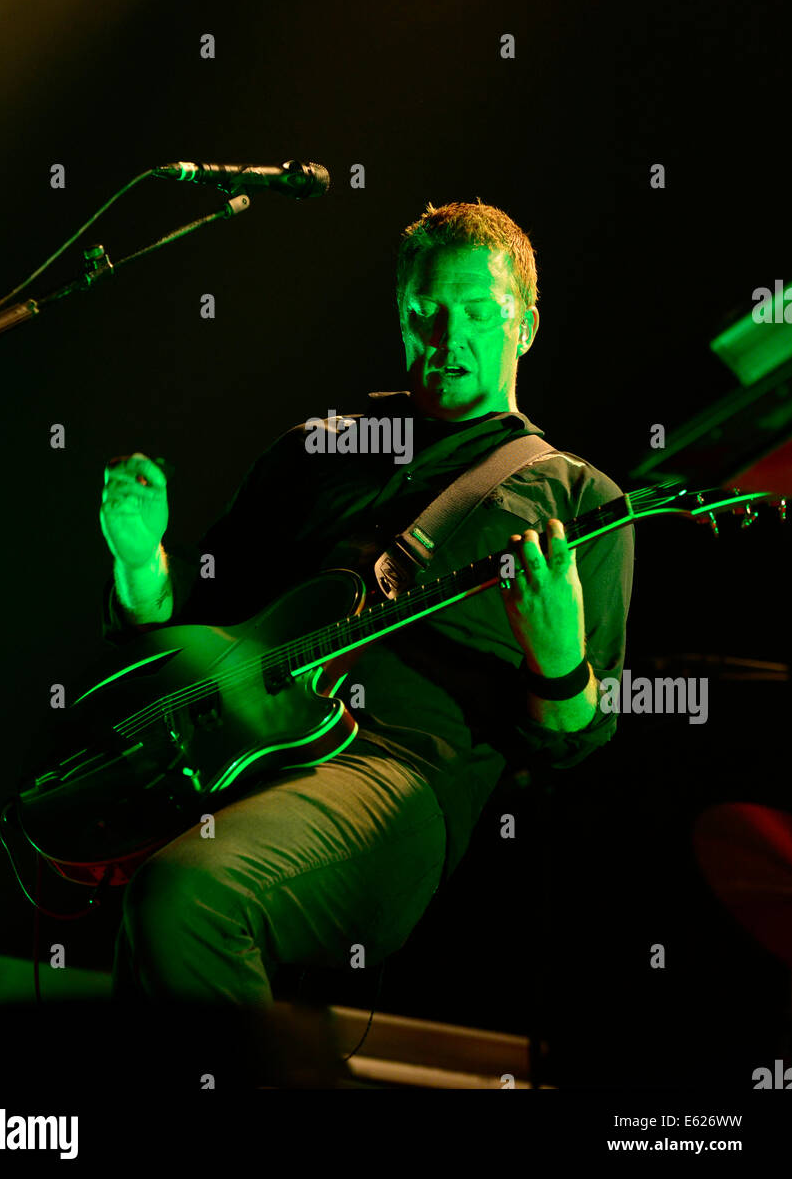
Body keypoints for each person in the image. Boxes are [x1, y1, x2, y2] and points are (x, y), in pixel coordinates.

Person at [100, 199, 634, 1004]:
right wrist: (141, 563)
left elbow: (575, 741)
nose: (447, 337)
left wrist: (558, 660)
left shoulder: (579, 498)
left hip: (391, 779)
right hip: (251, 751)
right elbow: (189, 625)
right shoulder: (319, 447)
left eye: (477, 313)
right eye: (424, 312)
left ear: (522, 325)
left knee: (185, 897)